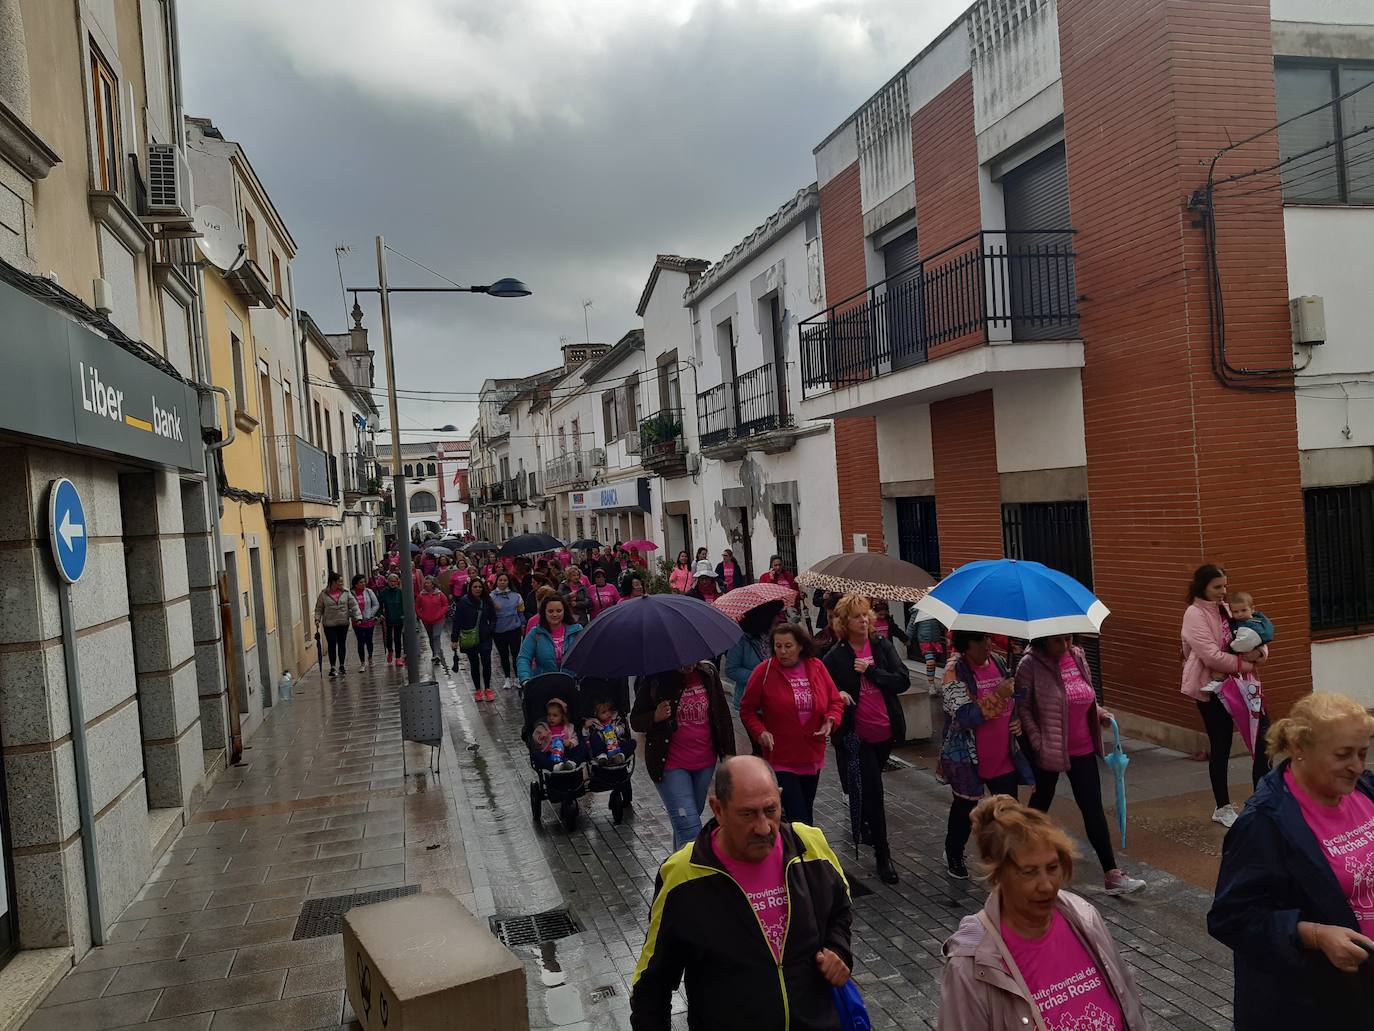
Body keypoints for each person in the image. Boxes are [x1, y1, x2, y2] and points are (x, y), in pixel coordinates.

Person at [629, 755, 854, 1031]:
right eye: (747, 814)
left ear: (780, 798)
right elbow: (651, 985)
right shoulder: (683, 875)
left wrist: (838, 950)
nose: (762, 828)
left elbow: (841, 908)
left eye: (770, 810)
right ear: (718, 809)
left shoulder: (810, 846)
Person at [1208, 692, 1374, 1029]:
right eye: (1343, 755)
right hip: (1312, 1004)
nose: (1357, 766)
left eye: (1363, 753)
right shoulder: (1264, 823)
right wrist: (1312, 935)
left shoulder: (1365, 790)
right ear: (1300, 749)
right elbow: (1231, 918)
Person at [939, 796, 1150, 1031]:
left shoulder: (1083, 916)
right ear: (997, 872)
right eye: (1028, 872)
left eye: (1052, 868)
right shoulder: (970, 966)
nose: (1047, 886)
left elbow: (1128, 1003)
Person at [1019, 635, 1147, 895]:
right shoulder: (1029, 664)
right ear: (1043, 641)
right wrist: (1037, 740)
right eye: (1057, 641)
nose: (1064, 646)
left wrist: (1099, 713)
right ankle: (1020, 866)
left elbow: (1086, 695)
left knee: (1092, 809)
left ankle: (1112, 874)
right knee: (1038, 809)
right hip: (1050, 748)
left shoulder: (1077, 656)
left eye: (1067, 639)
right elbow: (1022, 709)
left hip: (1083, 747)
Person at [822, 594, 911, 885]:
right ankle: (883, 856)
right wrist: (838, 695)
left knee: (870, 792)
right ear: (843, 623)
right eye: (856, 617)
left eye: (865, 615)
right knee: (875, 791)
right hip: (856, 736)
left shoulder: (881, 646)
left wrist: (872, 671)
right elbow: (824, 690)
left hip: (886, 730)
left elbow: (903, 679)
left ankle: (865, 823)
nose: (863, 620)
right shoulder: (836, 656)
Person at [938, 630, 1034, 880]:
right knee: (965, 809)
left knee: (1009, 810)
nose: (987, 644)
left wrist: (1016, 721)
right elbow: (965, 716)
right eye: (980, 640)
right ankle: (953, 852)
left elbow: (1013, 698)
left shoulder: (999, 662)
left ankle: (1011, 860)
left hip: (1003, 753)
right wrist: (999, 695)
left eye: (988, 638)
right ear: (965, 644)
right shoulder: (954, 670)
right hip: (968, 757)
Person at [1181, 563, 1269, 828]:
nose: (1223, 592)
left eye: (1225, 586)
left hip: (1244, 684)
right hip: (1212, 689)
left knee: (1264, 737)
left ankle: (1261, 801)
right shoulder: (1194, 613)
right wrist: (1248, 664)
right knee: (1221, 746)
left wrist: (1261, 653)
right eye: (1217, 587)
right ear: (1202, 586)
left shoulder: (1227, 609)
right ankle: (1222, 807)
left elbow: (1254, 633)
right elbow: (1211, 656)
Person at [739, 623, 845, 826]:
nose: (783, 652)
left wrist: (831, 720)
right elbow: (747, 709)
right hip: (781, 755)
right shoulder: (765, 671)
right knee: (798, 816)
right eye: (778, 646)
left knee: (806, 810)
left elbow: (834, 701)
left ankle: (801, 851)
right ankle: (801, 854)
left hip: (812, 751)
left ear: (800, 646)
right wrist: (760, 732)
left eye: (788, 646)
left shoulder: (816, 666)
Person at [630, 660, 736, 849]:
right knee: (689, 830)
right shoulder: (656, 677)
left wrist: (728, 755)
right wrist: (655, 716)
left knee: (686, 821)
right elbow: (636, 721)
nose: (689, 664)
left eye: (693, 658)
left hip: (705, 762)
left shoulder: (708, 673)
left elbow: (722, 714)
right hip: (671, 764)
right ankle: (693, 875)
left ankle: (676, 871)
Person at [517, 594, 584, 682]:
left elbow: (585, 655)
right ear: (544, 612)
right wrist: (525, 679)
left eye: (559, 611)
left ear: (565, 611)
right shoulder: (535, 633)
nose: (555, 614)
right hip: (543, 683)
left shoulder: (577, 631)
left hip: (571, 683)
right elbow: (524, 658)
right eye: (551, 611)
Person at [452, 577, 496, 702]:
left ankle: (487, 688)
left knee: (487, 663)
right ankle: (477, 690)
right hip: (470, 637)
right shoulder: (463, 602)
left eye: (480, 587)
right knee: (474, 664)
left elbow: (493, 617)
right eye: (475, 587)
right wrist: (454, 639)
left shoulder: (487, 601)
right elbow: (457, 621)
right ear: (470, 588)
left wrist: (490, 629)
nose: (478, 589)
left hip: (485, 637)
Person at [724, 605, 775, 706]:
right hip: (750, 701)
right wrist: (760, 676)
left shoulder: (778, 637)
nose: (779, 618)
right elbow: (731, 670)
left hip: (774, 700)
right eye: (776, 615)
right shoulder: (742, 640)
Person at [314, 571, 360, 678]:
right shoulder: (323, 594)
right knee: (331, 644)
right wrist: (317, 619)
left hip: (342, 623)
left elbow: (354, 605)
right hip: (329, 624)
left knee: (342, 644)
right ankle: (333, 667)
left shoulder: (346, 592)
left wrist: (358, 617)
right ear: (333, 582)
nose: (341, 584)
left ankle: (342, 665)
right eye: (339, 582)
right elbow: (319, 608)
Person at [530, 697, 586, 772]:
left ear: (562, 716)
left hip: (566, 753)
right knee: (536, 754)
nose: (551, 718)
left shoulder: (568, 728)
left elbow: (575, 739)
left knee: (582, 746)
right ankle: (554, 766)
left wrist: (569, 743)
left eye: (555, 715)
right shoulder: (543, 728)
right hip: (550, 754)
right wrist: (541, 737)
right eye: (549, 715)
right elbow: (535, 739)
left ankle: (572, 763)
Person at [490, 572, 525, 689]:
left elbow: (521, 612)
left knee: (516, 653)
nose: (503, 582)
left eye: (505, 580)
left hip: (514, 629)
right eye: (500, 580)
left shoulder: (516, 596)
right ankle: (507, 678)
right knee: (503, 654)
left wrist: (523, 625)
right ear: (497, 581)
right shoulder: (491, 597)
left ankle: (517, 678)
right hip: (498, 630)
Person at [414, 576, 450, 673]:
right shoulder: (421, 596)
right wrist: (422, 616)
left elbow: (445, 604)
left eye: (428, 583)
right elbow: (417, 607)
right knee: (431, 637)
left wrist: (440, 613)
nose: (426, 584)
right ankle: (434, 652)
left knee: (436, 636)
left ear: (433, 584)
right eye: (425, 583)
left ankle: (437, 654)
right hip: (427, 620)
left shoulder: (439, 594)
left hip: (438, 619)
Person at [585, 698, 636, 766]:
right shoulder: (594, 724)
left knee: (633, 742)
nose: (608, 713)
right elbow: (586, 737)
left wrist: (617, 729)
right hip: (603, 747)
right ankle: (602, 757)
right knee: (594, 737)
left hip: (617, 745)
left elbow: (623, 730)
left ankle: (621, 756)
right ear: (596, 714)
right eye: (604, 712)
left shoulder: (615, 720)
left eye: (609, 710)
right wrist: (586, 727)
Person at [349, 574, 380, 670]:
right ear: (355, 584)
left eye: (364, 582)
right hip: (357, 622)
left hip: (369, 621)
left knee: (369, 641)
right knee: (360, 641)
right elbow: (348, 607)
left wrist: (371, 613)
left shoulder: (369, 592)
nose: (363, 584)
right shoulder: (351, 594)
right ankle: (362, 663)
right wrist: (354, 615)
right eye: (360, 582)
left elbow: (376, 604)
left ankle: (370, 657)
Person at [378, 572, 405, 666]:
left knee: (397, 638)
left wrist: (403, 614)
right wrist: (380, 614)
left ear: (397, 582)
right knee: (388, 638)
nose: (392, 583)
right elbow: (379, 605)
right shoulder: (383, 592)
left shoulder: (400, 591)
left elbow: (404, 604)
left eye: (394, 581)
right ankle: (390, 651)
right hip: (388, 618)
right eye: (391, 581)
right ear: (388, 582)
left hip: (398, 618)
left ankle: (398, 657)